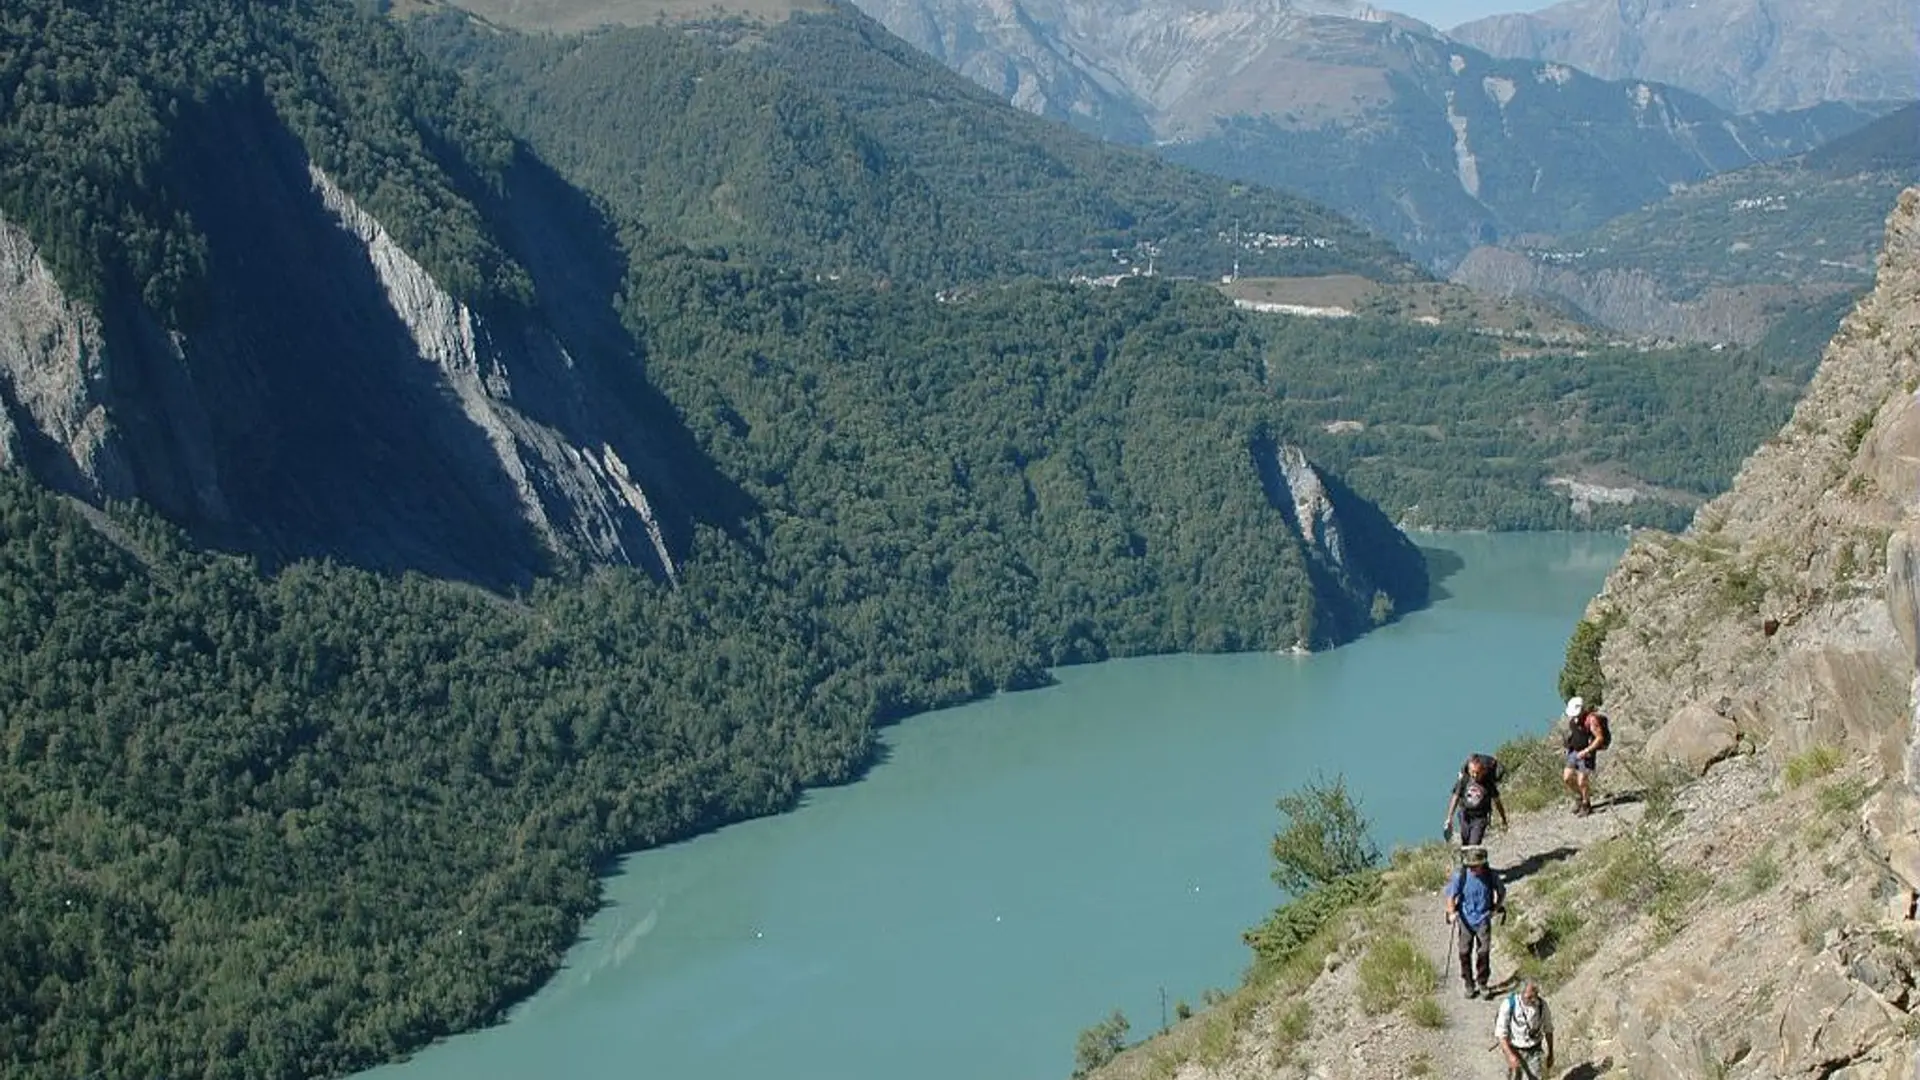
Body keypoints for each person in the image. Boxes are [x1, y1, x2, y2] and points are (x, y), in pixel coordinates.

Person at [1443, 845, 1506, 998]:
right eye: (1470, 866)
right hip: (1465, 919)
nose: (1472, 869)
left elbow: (1502, 892)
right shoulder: (1461, 876)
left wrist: (1496, 908)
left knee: (1483, 952)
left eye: (1475, 866)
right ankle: (1469, 983)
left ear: (1482, 864)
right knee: (1464, 952)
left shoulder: (1491, 876)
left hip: (1483, 918)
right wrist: (1451, 913)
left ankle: (1482, 983)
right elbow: (1451, 896)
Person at [1494, 979, 1555, 1079]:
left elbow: (1548, 1029)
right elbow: (1501, 1034)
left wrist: (1551, 1053)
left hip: (1535, 1050)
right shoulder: (1509, 1005)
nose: (1533, 1000)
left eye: (1535, 996)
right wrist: (1510, 1055)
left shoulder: (1542, 1006)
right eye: (1529, 997)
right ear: (1520, 993)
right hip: (1515, 1049)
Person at [1443, 754, 1509, 847]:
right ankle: (1465, 855)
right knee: (1465, 842)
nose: (1475, 775)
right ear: (1469, 770)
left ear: (1483, 771)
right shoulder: (1464, 781)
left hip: (1480, 818)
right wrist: (1449, 818)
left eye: (1478, 773)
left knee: (1473, 844)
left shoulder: (1488, 784)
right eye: (1472, 772)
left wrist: (1503, 819)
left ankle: (1475, 855)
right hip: (1465, 815)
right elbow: (1455, 797)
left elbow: (1497, 802)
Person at [1561, 696, 1604, 816]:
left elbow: (1599, 738)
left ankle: (1586, 804)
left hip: (1587, 754)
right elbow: (1575, 735)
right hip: (1574, 752)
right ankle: (1580, 797)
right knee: (1567, 778)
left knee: (1582, 781)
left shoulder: (1591, 720)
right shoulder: (1574, 720)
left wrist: (1587, 751)